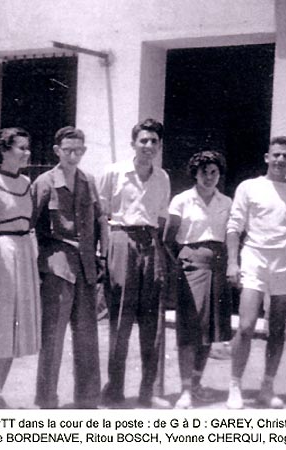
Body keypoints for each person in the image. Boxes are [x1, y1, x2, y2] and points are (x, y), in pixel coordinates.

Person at [225, 136, 286, 409]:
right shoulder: (249, 187)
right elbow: (234, 227)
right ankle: (235, 385)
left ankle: (267, 387)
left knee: (277, 328)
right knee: (246, 325)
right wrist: (233, 263)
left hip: (284, 262)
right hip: (254, 259)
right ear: (267, 157)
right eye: (276, 154)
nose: (280, 160)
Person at [32, 126, 107, 409]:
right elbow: (30, 225)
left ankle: (88, 399)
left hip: (86, 266)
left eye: (79, 150)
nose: (74, 155)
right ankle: (47, 399)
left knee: (87, 335)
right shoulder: (45, 182)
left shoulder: (89, 181)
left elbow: (99, 221)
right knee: (52, 336)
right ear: (57, 151)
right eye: (68, 150)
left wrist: (101, 257)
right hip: (57, 266)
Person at [98, 118, 171, 408]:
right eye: (144, 140)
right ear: (133, 143)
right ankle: (114, 389)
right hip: (121, 239)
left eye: (154, 141)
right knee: (120, 317)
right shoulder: (114, 172)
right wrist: (105, 251)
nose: (148, 146)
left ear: (159, 146)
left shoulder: (162, 177)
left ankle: (148, 391)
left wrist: (156, 249)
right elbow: (101, 213)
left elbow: (161, 217)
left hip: (150, 243)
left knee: (152, 319)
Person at [0, 128, 41, 409]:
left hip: (25, 253)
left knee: (17, 326)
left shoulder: (26, 182)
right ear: (3, 150)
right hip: (2, 253)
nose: (27, 153)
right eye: (21, 148)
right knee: (2, 324)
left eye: (28, 147)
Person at [163, 151, 233, 409]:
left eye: (214, 172)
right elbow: (168, 239)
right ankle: (185, 391)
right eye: (204, 172)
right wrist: (183, 262)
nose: (209, 177)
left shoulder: (226, 201)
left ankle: (196, 383)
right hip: (191, 265)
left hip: (218, 265)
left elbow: (233, 234)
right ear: (195, 173)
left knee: (210, 330)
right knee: (190, 327)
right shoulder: (182, 200)